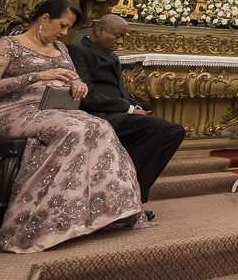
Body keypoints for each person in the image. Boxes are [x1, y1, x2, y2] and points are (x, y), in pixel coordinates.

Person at [0, 0, 149, 253]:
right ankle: (39, 220)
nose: (65, 33)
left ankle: (97, 214)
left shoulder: (61, 49)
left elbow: (77, 82)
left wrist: (78, 86)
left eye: (69, 28)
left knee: (100, 126)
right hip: (11, 113)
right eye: (63, 25)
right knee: (74, 129)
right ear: (44, 18)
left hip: (56, 112)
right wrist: (37, 75)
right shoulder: (8, 44)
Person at [68, 14, 186, 208]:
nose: (120, 41)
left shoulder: (112, 55)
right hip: (98, 114)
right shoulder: (78, 50)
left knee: (175, 131)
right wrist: (129, 109)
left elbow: (121, 91)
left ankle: (132, 193)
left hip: (119, 113)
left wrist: (137, 106)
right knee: (159, 127)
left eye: (123, 37)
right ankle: (127, 196)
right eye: (117, 36)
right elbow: (87, 94)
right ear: (99, 31)